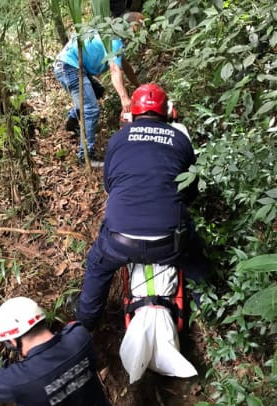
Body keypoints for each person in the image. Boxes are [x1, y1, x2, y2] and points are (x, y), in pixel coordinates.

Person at [76, 83, 210, 331]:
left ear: (133, 114)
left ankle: (85, 324)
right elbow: (191, 190)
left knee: (97, 264)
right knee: (198, 264)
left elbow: (109, 184)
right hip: (171, 242)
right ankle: (211, 320)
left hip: (119, 241)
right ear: (167, 113)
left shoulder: (118, 139)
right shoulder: (180, 139)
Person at [53, 12, 143, 165]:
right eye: (140, 26)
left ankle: (73, 119)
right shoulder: (114, 40)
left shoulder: (109, 31)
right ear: (132, 26)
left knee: (98, 91)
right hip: (70, 67)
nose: (140, 31)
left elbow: (124, 65)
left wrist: (138, 86)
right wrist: (124, 97)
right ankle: (85, 156)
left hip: (72, 66)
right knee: (91, 109)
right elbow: (115, 68)